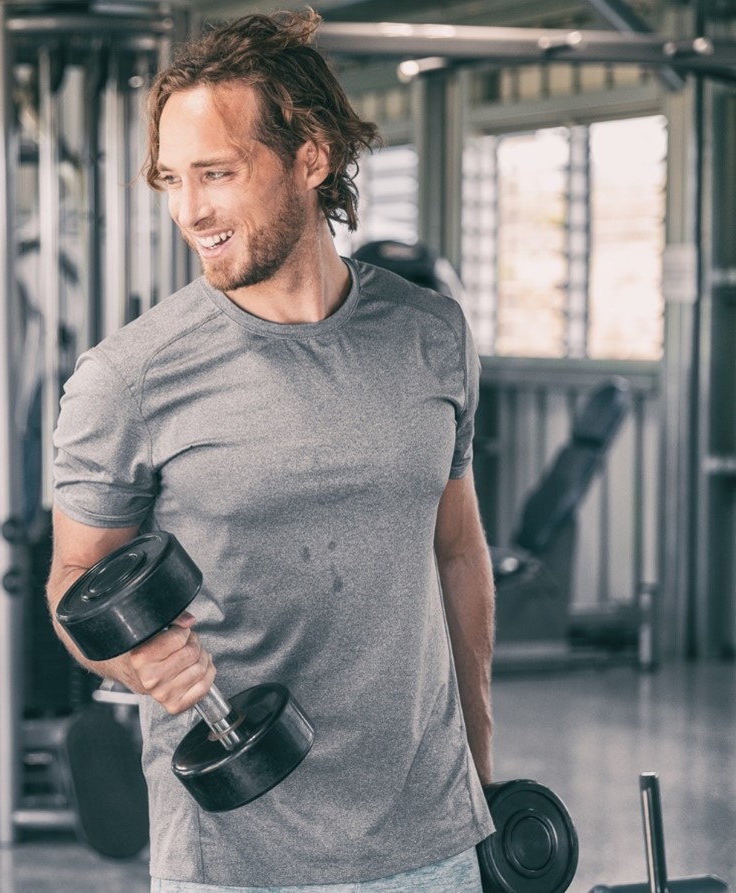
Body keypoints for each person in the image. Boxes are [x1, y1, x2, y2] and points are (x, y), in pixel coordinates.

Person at [47, 10, 496, 892]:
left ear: (312, 156)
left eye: (216, 173)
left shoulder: (430, 334)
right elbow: (73, 582)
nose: (189, 211)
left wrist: (481, 757)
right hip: (235, 854)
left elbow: (455, 547)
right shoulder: (128, 377)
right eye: (171, 180)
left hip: (431, 836)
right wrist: (131, 660)